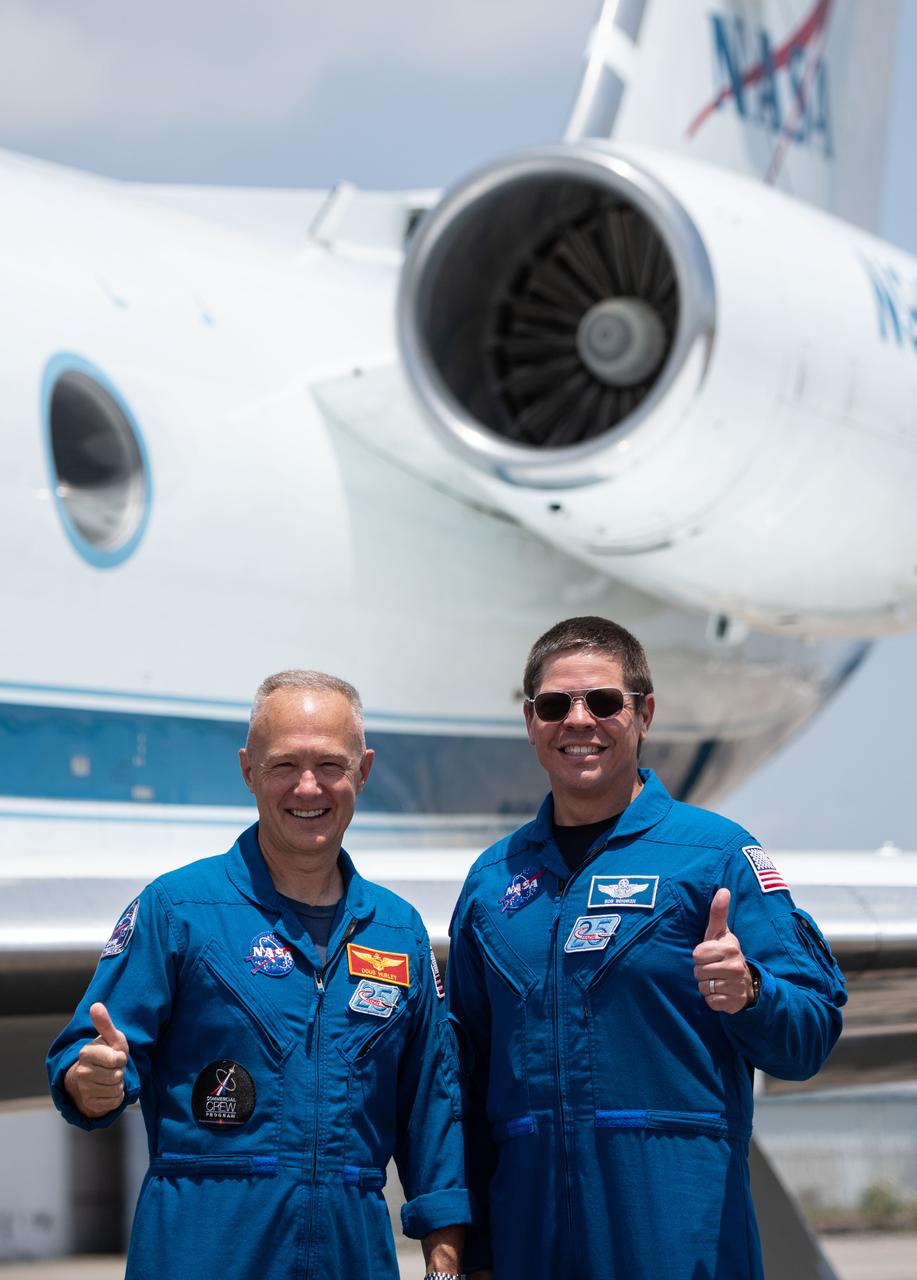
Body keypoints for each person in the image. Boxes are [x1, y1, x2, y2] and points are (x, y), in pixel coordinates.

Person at [446, 617, 846, 1280]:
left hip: (677, 1236)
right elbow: (461, 1077)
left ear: (643, 713)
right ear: (530, 721)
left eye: (602, 702)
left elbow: (808, 1037)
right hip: (528, 1244)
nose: (578, 721)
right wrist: (472, 1247)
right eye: (554, 706)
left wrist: (750, 994)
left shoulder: (715, 855)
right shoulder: (492, 883)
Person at [47, 670, 471, 1280]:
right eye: (283, 766)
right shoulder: (179, 910)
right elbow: (84, 1059)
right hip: (203, 1250)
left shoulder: (398, 932)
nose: (308, 787)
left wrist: (445, 1261)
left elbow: (434, 1111)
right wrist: (91, 1081)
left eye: (330, 764)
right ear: (248, 771)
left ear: (364, 769)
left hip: (352, 1255)